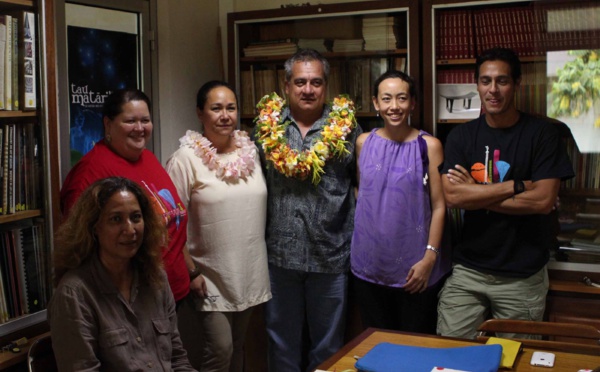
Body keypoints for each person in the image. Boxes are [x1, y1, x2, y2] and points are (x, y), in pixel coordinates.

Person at [437, 47, 575, 339]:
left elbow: (542, 201)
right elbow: (453, 197)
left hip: (522, 276)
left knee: (516, 362)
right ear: (477, 85)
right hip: (468, 271)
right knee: (450, 355)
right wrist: (517, 185)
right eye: (486, 81)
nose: (493, 90)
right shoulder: (460, 136)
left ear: (517, 84)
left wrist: (477, 192)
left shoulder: (543, 134)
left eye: (502, 81)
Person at [253, 48, 362, 372]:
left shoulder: (347, 129)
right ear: (286, 85)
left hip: (331, 256)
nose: (308, 89)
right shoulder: (265, 130)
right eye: (300, 82)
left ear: (325, 86)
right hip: (280, 258)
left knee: (328, 350)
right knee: (281, 346)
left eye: (316, 82)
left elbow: (363, 185)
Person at [60, 89, 203, 307]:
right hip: (132, 301)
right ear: (108, 124)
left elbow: (172, 222)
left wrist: (191, 272)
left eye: (145, 120)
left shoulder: (147, 158)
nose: (139, 128)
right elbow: (79, 248)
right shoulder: (91, 172)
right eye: (130, 121)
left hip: (172, 291)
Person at [166, 80, 271, 372]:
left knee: (238, 347)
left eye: (231, 108)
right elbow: (170, 222)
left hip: (248, 269)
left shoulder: (250, 152)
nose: (225, 115)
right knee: (220, 349)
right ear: (200, 113)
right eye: (216, 108)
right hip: (208, 272)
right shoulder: (186, 159)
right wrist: (191, 270)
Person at [48, 177, 196, 371]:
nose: (130, 229)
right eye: (116, 219)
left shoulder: (155, 277)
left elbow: (177, 359)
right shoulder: (74, 294)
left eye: (136, 217)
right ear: (94, 227)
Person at [351, 70, 450, 334]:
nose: (394, 106)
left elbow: (440, 206)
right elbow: (363, 191)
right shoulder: (363, 142)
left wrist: (430, 258)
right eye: (386, 99)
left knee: (414, 347)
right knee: (375, 346)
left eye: (402, 98)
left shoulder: (429, 146)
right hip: (368, 267)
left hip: (415, 269)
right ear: (376, 103)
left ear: (412, 103)